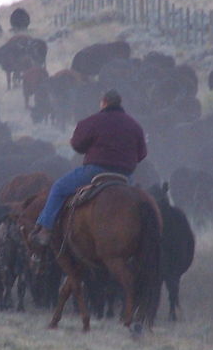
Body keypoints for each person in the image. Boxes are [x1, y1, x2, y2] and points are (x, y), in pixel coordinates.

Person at [29, 89, 147, 247]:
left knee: (58, 188)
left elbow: (77, 145)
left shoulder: (93, 121)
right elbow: (142, 154)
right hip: (125, 176)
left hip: (95, 172)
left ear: (103, 102)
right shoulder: (135, 125)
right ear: (119, 103)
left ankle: (45, 229)